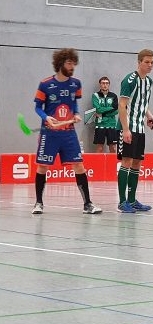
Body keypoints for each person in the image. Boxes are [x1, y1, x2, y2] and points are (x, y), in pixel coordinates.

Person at [31, 48, 102, 215]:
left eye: (73, 63)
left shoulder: (75, 84)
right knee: (42, 167)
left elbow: (74, 104)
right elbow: (37, 108)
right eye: (69, 63)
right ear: (60, 64)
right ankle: (38, 203)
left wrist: (76, 113)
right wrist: (46, 117)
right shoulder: (45, 84)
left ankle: (88, 204)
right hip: (49, 133)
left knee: (79, 165)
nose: (72, 67)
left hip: (69, 133)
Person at [116, 49, 153, 213]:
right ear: (139, 62)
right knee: (126, 161)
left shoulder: (149, 82)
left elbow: (142, 103)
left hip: (140, 128)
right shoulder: (130, 80)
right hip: (128, 128)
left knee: (137, 163)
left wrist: (149, 115)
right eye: (147, 62)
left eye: (152, 62)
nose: (150, 65)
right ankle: (122, 202)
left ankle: (132, 201)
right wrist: (125, 129)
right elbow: (122, 105)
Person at [91, 76, 119, 153]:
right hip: (100, 124)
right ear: (100, 84)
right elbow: (98, 109)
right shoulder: (95, 95)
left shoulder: (113, 96)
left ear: (109, 84)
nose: (105, 85)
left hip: (112, 124)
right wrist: (111, 108)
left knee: (113, 148)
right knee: (99, 148)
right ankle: (98, 164)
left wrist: (102, 113)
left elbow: (116, 110)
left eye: (107, 83)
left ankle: (112, 165)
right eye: (103, 83)